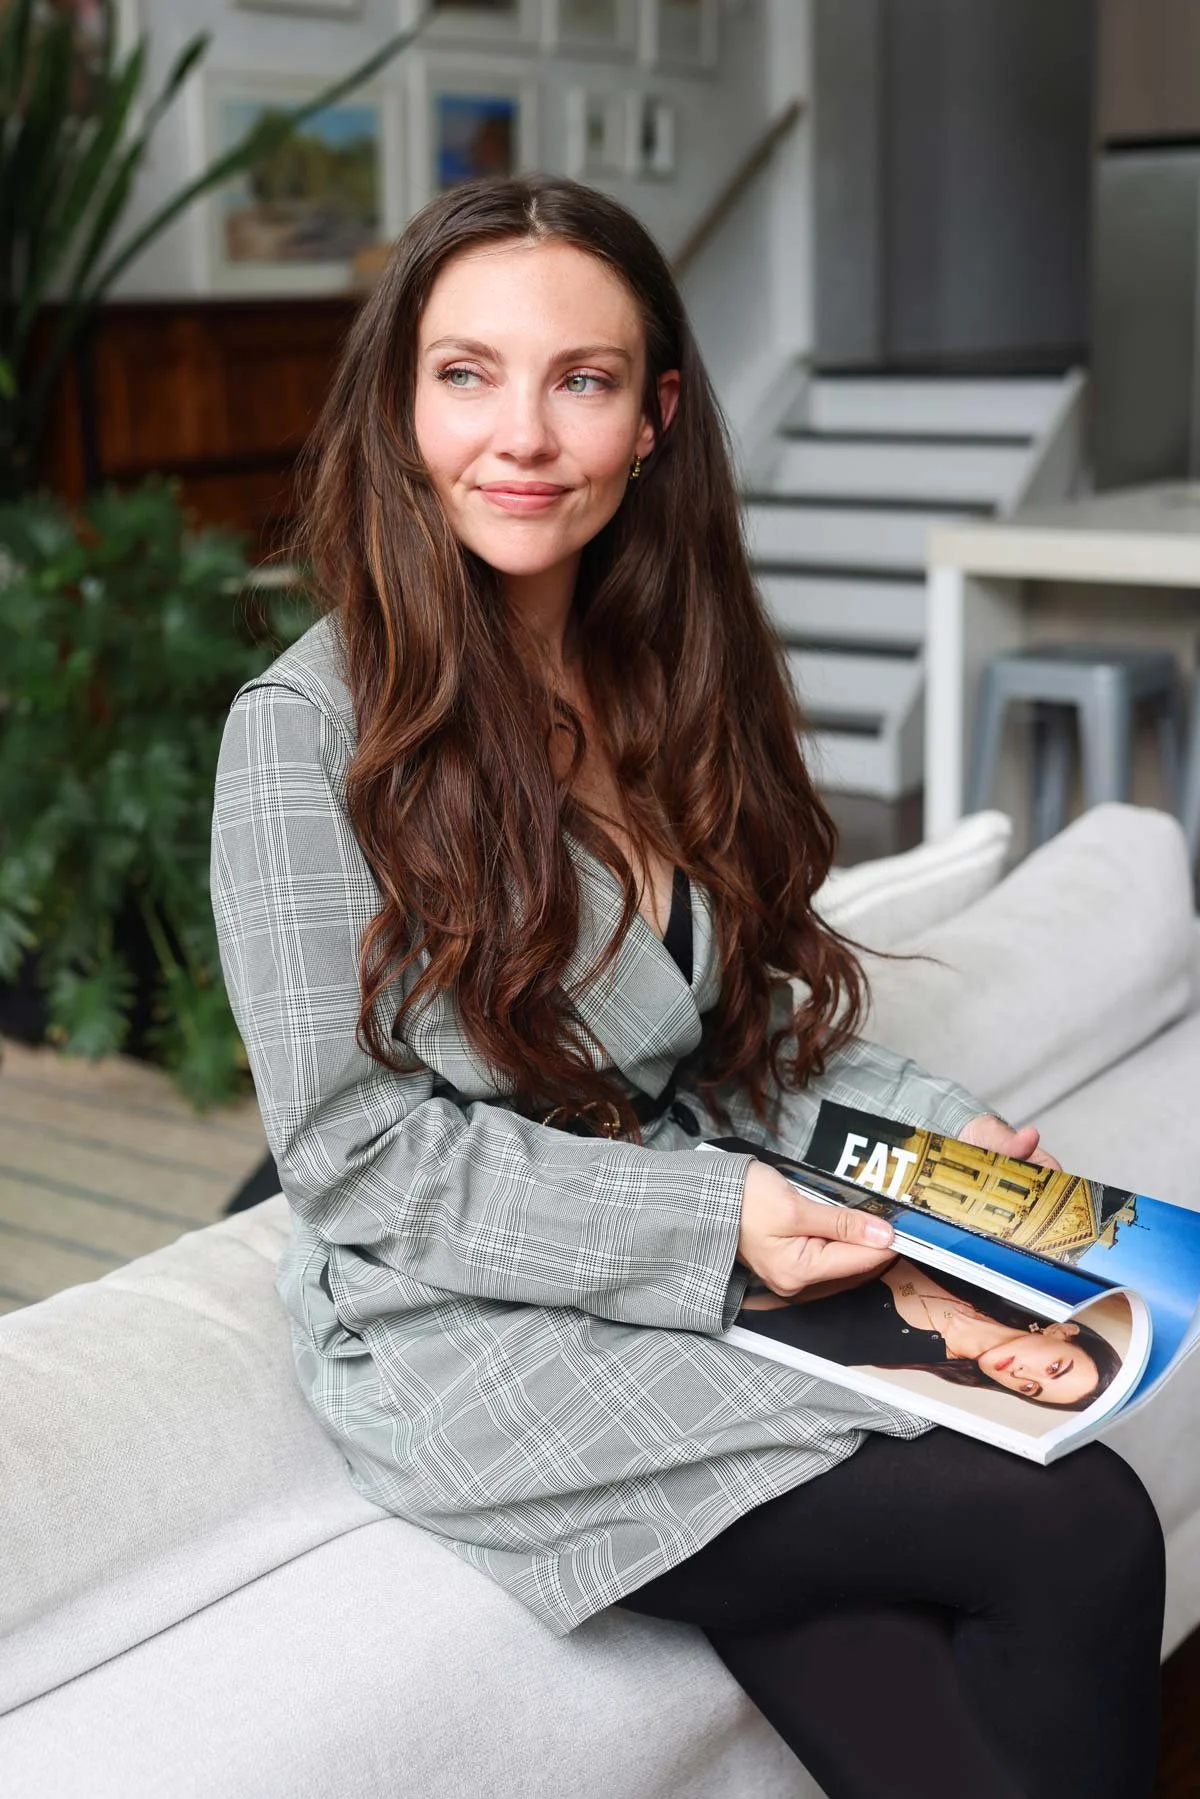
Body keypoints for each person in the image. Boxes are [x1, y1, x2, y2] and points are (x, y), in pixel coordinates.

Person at [210, 175, 1164, 1799]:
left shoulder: (665, 663)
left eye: (579, 378)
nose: (520, 433)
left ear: (653, 416)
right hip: (471, 1312)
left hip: (706, 1236)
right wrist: (713, 1219)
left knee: (940, 1682)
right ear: (398, 396)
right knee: (1077, 1521)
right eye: (467, 372)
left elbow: (729, 1032)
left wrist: (947, 1130)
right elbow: (359, 1158)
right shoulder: (304, 734)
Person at [740, 1256, 1123, 1410]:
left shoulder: (893, 1350)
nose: (1022, 1377)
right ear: (1061, 1331)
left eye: (1030, 1390)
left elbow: (754, 1313)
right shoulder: (990, 1278)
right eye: (1054, 1368)